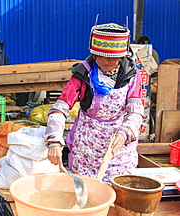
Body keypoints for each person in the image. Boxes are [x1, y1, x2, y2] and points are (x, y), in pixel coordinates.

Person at [45, 23, 144, 183]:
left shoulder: (131, 75)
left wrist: (126, 132)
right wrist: (54, 139)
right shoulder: (83, 74)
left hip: (118, 144)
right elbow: (60, 108)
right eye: (101, 55)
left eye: (112, 56)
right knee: (86, 190)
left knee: (117, 190)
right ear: (94, 53)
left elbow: (135, 111)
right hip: (87, 146)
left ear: (122, 55)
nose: (106, 60)